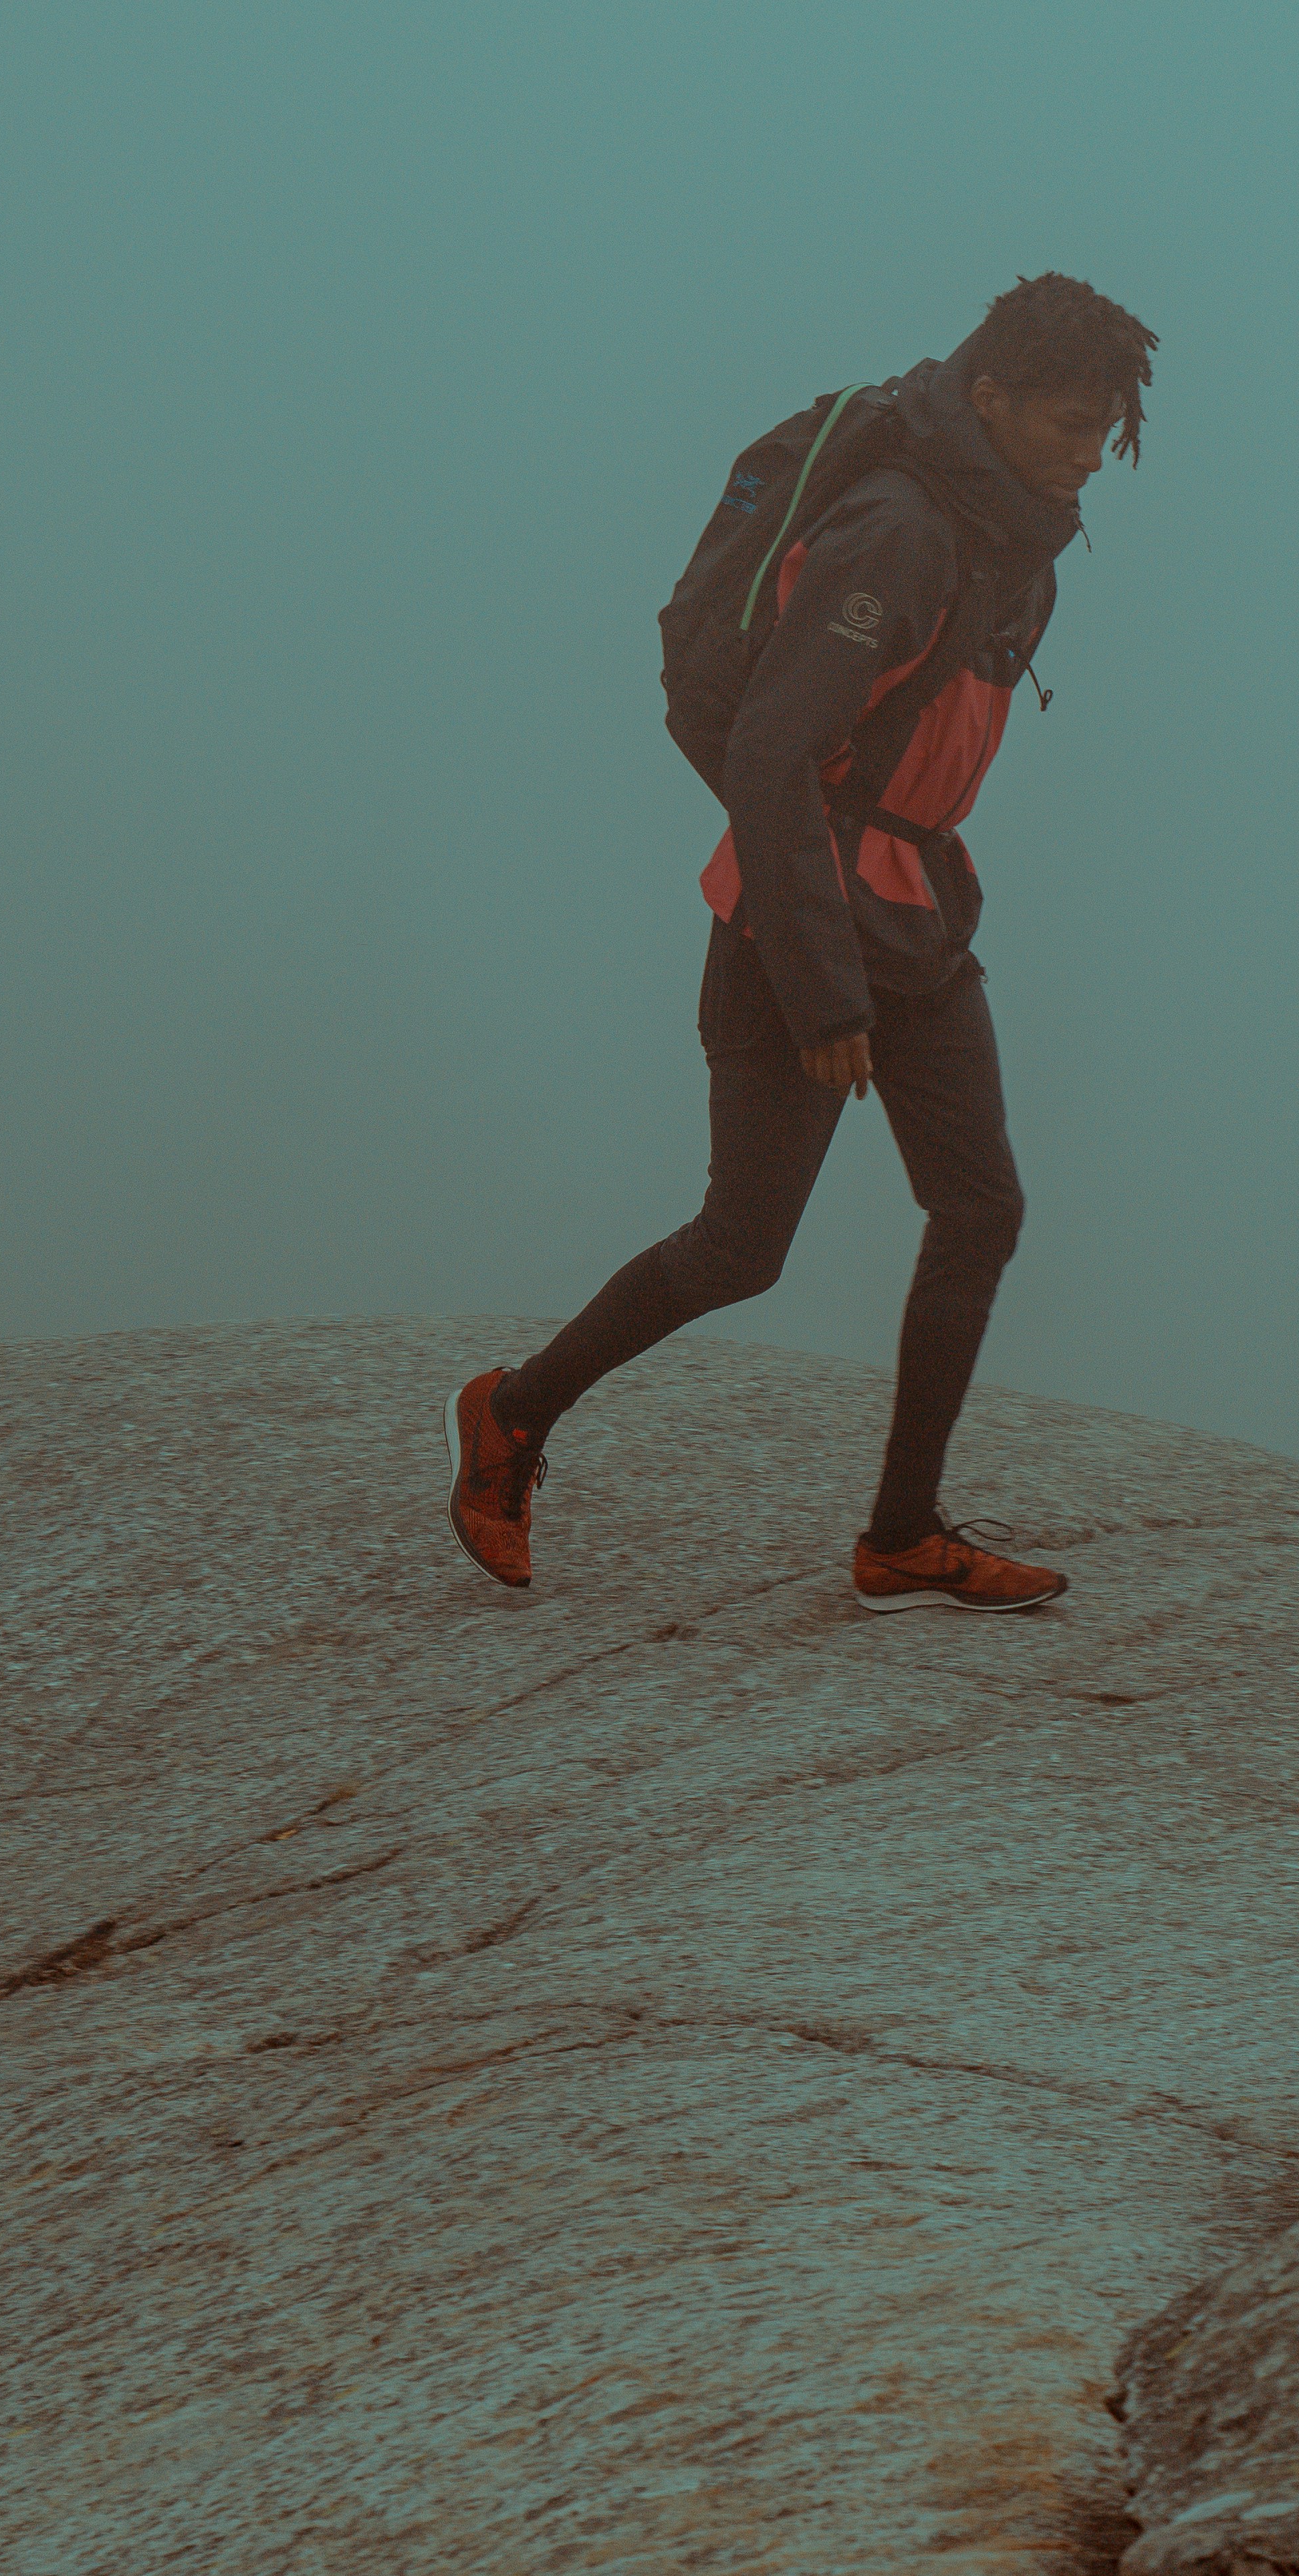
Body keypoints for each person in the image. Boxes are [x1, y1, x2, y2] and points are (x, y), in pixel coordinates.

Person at [449, 270, 1156, 1611]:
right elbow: (772, 746)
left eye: (1101, 432)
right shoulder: (902, 529)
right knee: (741, 1245)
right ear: (990, 394)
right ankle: (512, 1414)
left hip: (914, 910)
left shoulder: (1003, 527)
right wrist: (823, 987)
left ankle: (900, 1533)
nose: (1086, 456)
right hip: (804, 914)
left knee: (979, 1207)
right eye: (1067, 423)